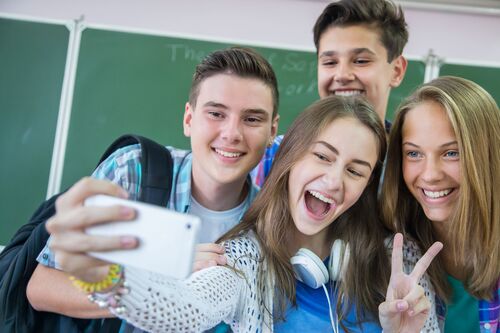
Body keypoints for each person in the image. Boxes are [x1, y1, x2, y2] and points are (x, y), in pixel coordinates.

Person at [47, 96, 442, 332]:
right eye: (322, 156)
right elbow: (180, 308)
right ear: (289, 157)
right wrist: (104, 277)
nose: (335, 180)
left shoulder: (400, 263)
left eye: (356, 171)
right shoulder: (241, 259)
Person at [26, 47, 279, 328]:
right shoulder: (132, 170)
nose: (232, 133)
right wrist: (162, 277)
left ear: (272, 131)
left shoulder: (267, 224)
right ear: (189, 119)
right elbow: (42, 288)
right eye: (216, 113)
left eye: (252, 119)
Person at [381, 76, 500, 332]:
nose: (430, 174)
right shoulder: (391, 258)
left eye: (451, 153)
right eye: (414, 153)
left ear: (488, 154)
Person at [252, 0, 408, 186]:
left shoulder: (412, 165)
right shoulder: (275, 154)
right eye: (330, 62)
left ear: (396, 71)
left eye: (360, 61)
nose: (342, 75)